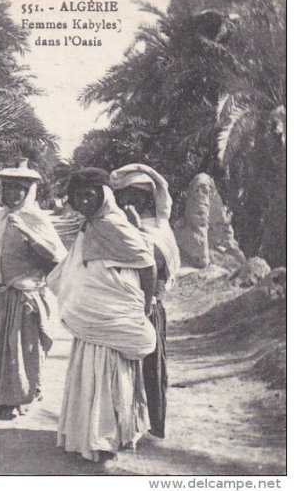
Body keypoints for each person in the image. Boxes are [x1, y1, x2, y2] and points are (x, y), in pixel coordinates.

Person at [48, 167, 157, 462]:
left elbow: (148, 265)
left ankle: (107, 440)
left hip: (115, 313)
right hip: (92, 318)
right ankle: (86, 436)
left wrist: (145, 305)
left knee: (111, 374)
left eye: (88, 195)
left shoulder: (113, 224)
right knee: (89, 373)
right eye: (77, 196)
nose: (82, 201)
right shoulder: (90, 225)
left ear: (104, 194)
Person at [0, 160, 67, 420]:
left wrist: (30, 237)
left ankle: (17, 399)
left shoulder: (35, 218)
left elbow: (56, 258)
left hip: (22, 295)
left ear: (28, 192)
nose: (11, 194)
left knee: (19, 349)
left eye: (17, 189)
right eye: (7, 188)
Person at [111, 163, 180, 439]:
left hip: (148, 309)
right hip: (121, 306)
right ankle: (123, 425)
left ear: (150, 199)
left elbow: (155, 264)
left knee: (149, 367)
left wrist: (137, 231)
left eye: (140, 197)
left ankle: (150, 423)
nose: (133, 203)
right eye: (127, 197)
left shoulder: (159, 228)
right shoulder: (118, 227)